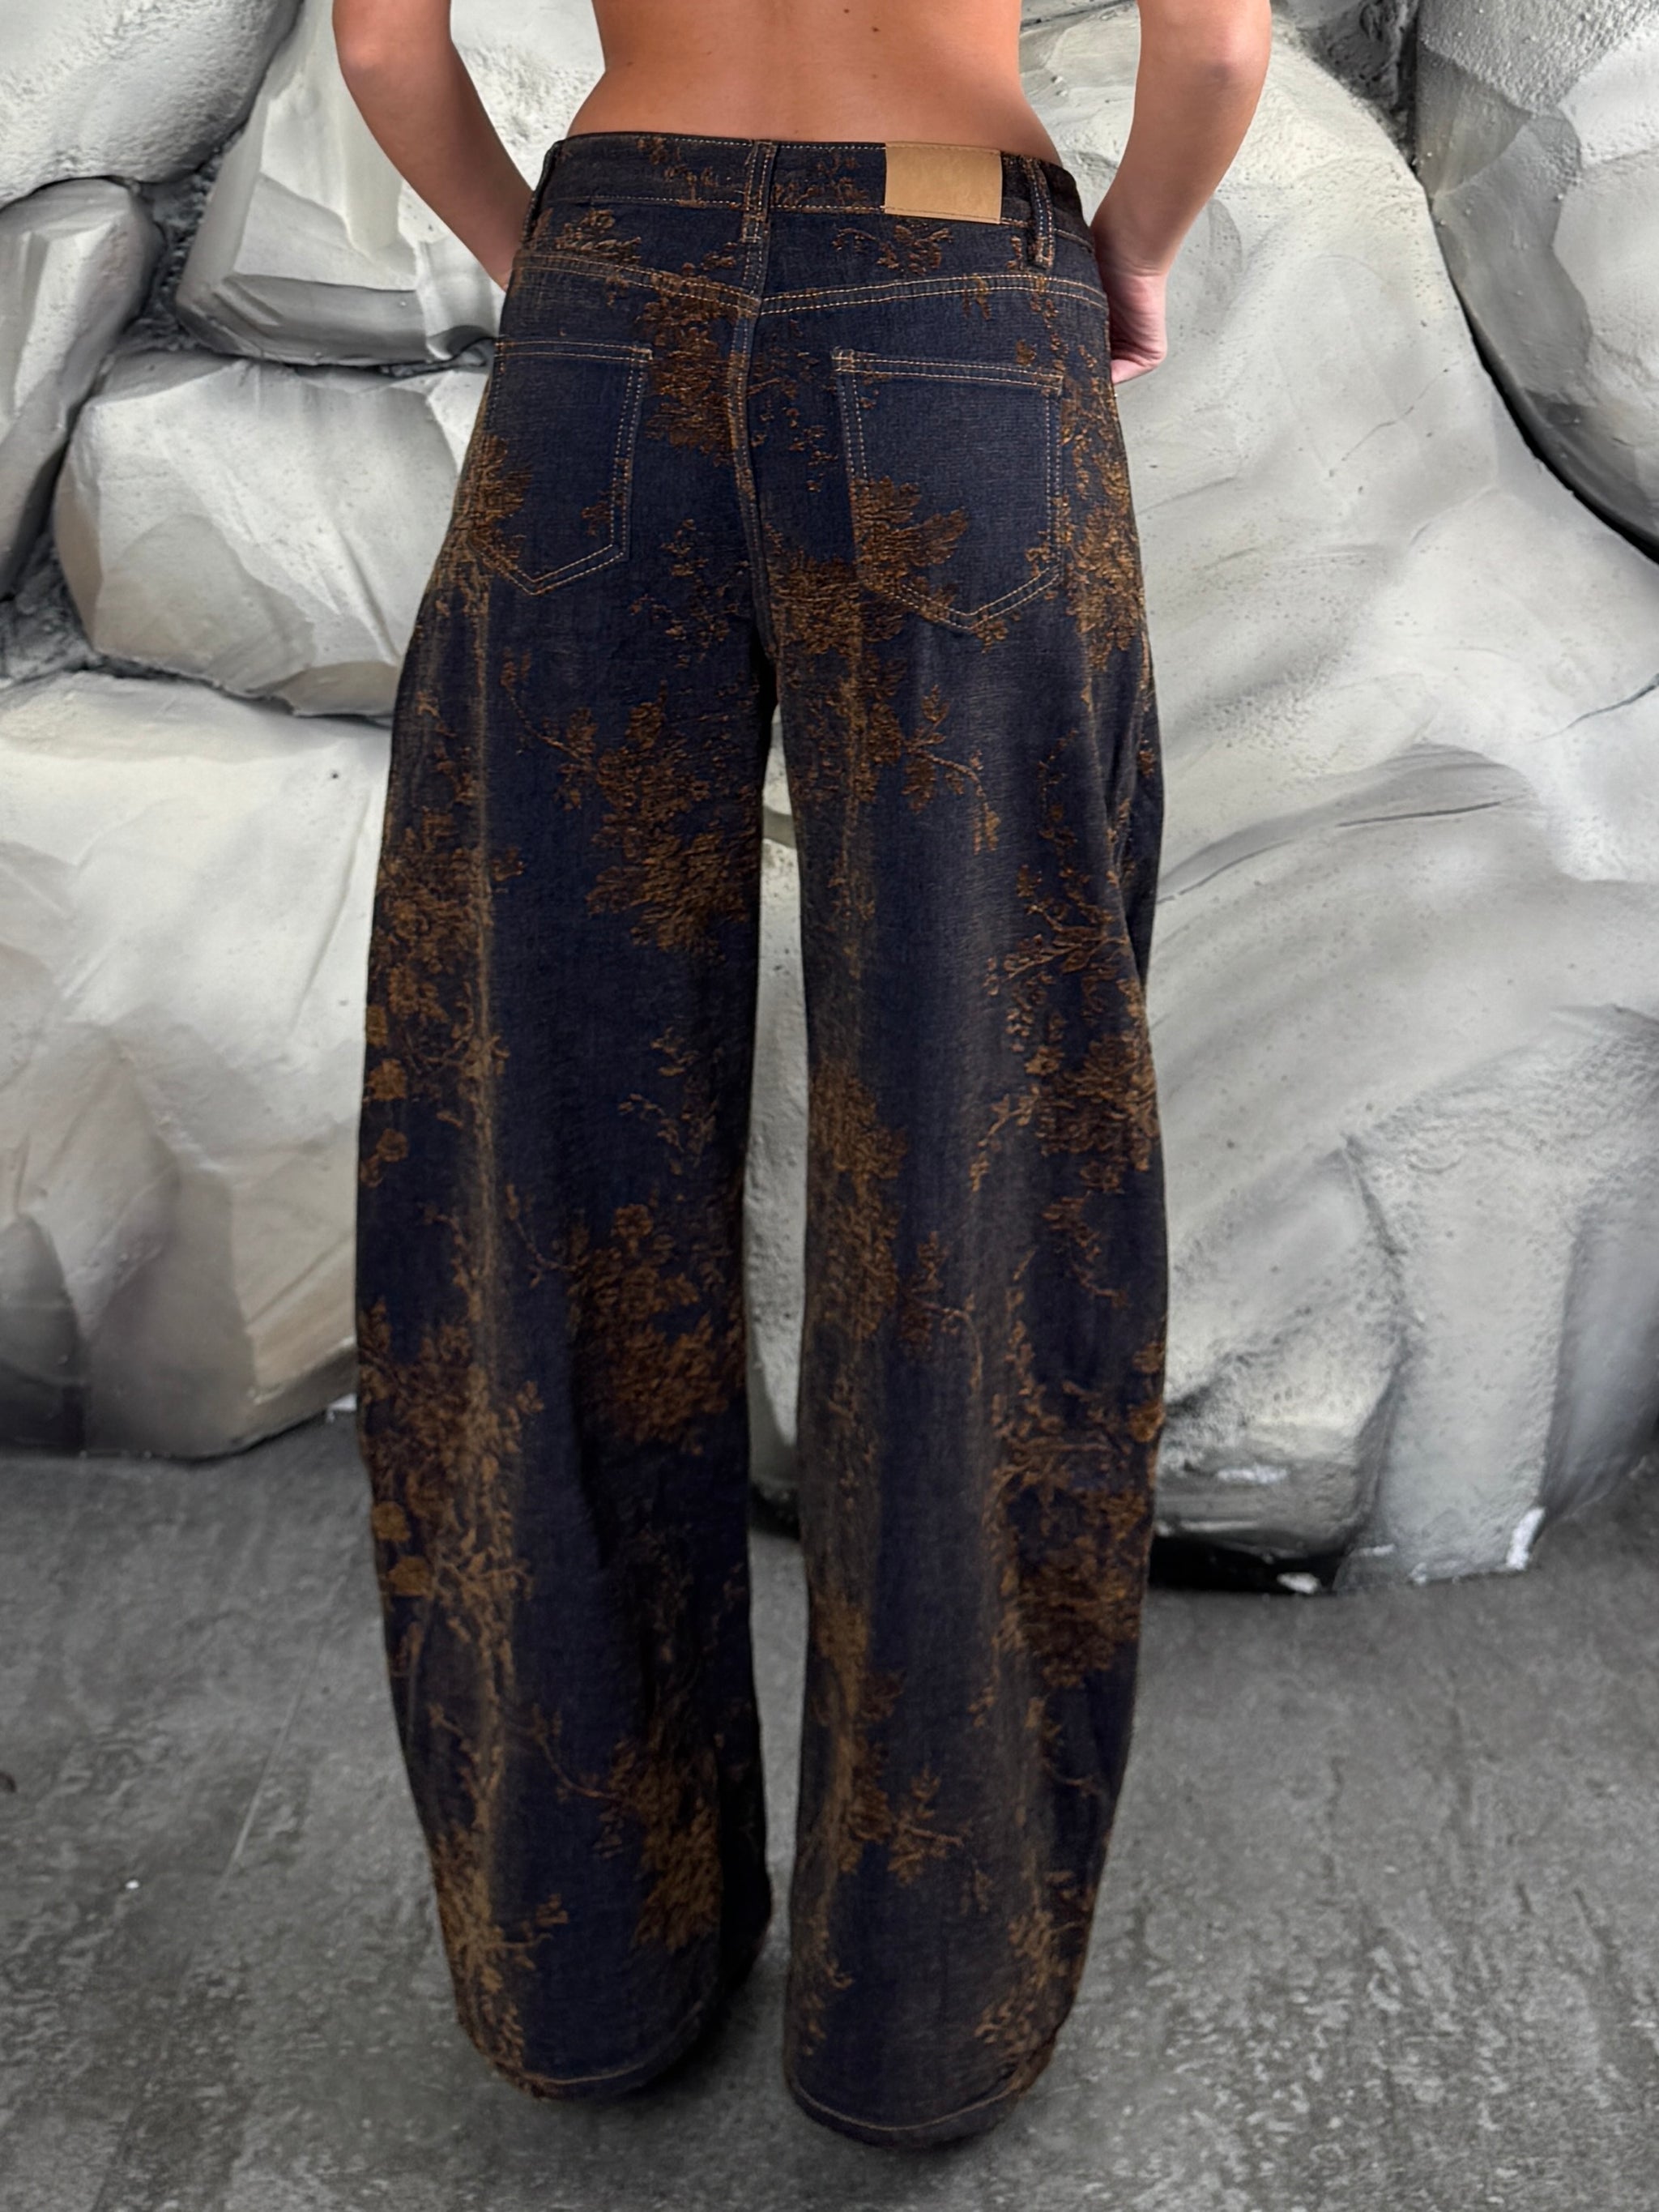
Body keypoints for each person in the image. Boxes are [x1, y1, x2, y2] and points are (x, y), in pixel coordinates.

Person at [336, 0, 1269, 2151]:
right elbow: (1216, 46)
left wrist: (558, 260)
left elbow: (385, 47)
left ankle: (589, 1969)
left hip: (604, 305)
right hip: (961, 293)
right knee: (981, 1163)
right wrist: (1127, 253)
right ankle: (920, 2016)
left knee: (536, 1147)